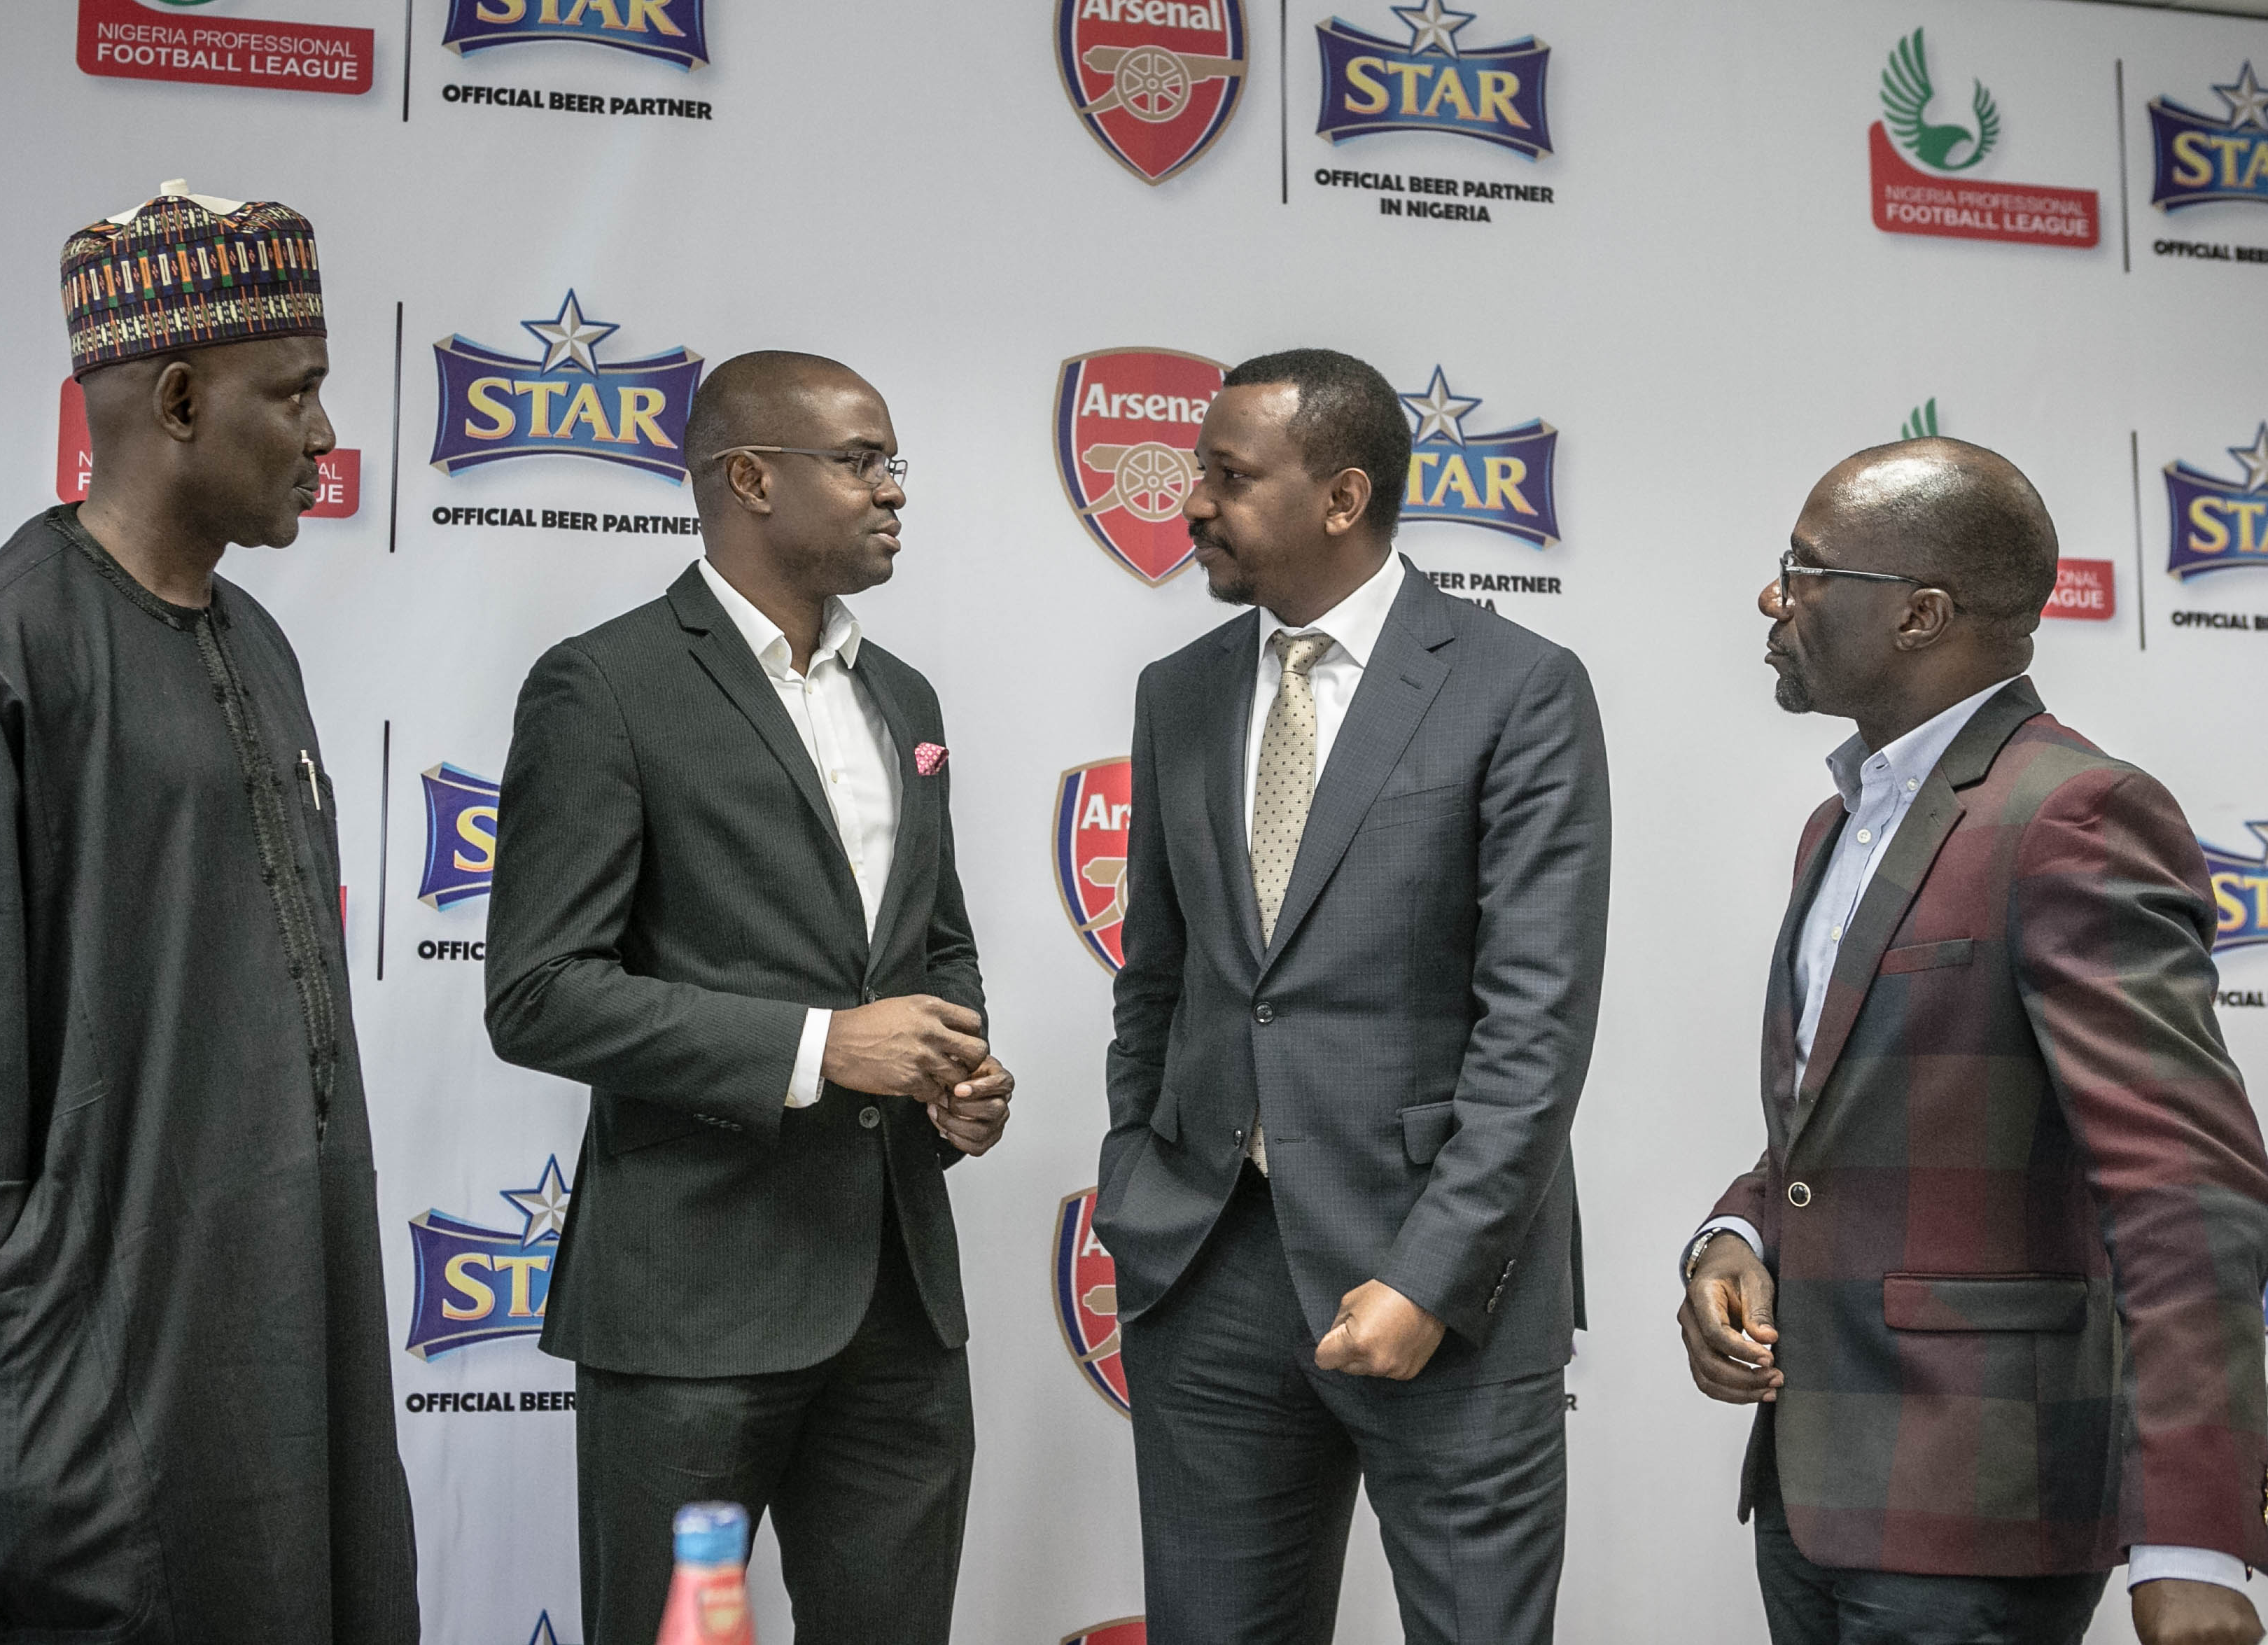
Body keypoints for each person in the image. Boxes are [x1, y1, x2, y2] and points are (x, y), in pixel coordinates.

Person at [0, 183, 419, 1643]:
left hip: (287, 1362)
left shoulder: (261, 643)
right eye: (291, 394)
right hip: (91, 1416)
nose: (325, 435)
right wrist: (42, 1392)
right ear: (175, 396)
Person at [1677, 438, 2268, 1645]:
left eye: (1803, 569)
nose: (1770, 597)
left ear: (1919, 614)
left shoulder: (2074, 815)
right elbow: (1838, 1120)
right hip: (1812, 1483)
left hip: (1980, 1501)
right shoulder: (1833, 826)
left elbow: (2184, 1191)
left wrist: (2194, 1536)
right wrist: (1740, 1228)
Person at [483, 350, 1014, 1645]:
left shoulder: (908, 698)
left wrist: (959, 1072)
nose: (894, 491)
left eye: (895, 463)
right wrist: (825, 1047)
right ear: (749, 477)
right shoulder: (602, 684)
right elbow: (539, 994)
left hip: (898, 1305)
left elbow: (931, 945)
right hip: (690, 1311)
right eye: (860, 460)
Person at [1095, 348, 1611, 1645]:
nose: (1191, 503)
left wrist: (1429, 1277)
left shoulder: (1518, 686)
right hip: (1208, 1264)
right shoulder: (1181, 690)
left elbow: (1534, 1024)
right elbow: (1155, 977)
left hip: (1445, 1279)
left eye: (1227, 474)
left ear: (1341, 495)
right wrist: (1136, 1177)